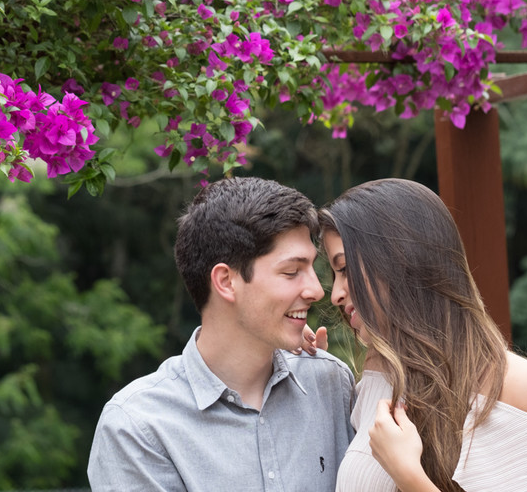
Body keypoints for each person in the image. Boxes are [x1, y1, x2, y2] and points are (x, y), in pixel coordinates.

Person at [88, 176, 355, 491]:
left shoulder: (330, 384)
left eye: (312, 268)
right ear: (226, 281)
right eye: (291, 272)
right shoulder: (138, 428)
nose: (316, 290)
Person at [319, 178, 527, 492]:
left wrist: (410, 477)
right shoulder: (378, 370)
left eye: (345, 269)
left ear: (400, 260)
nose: (335, 294)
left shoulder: (519, 387)